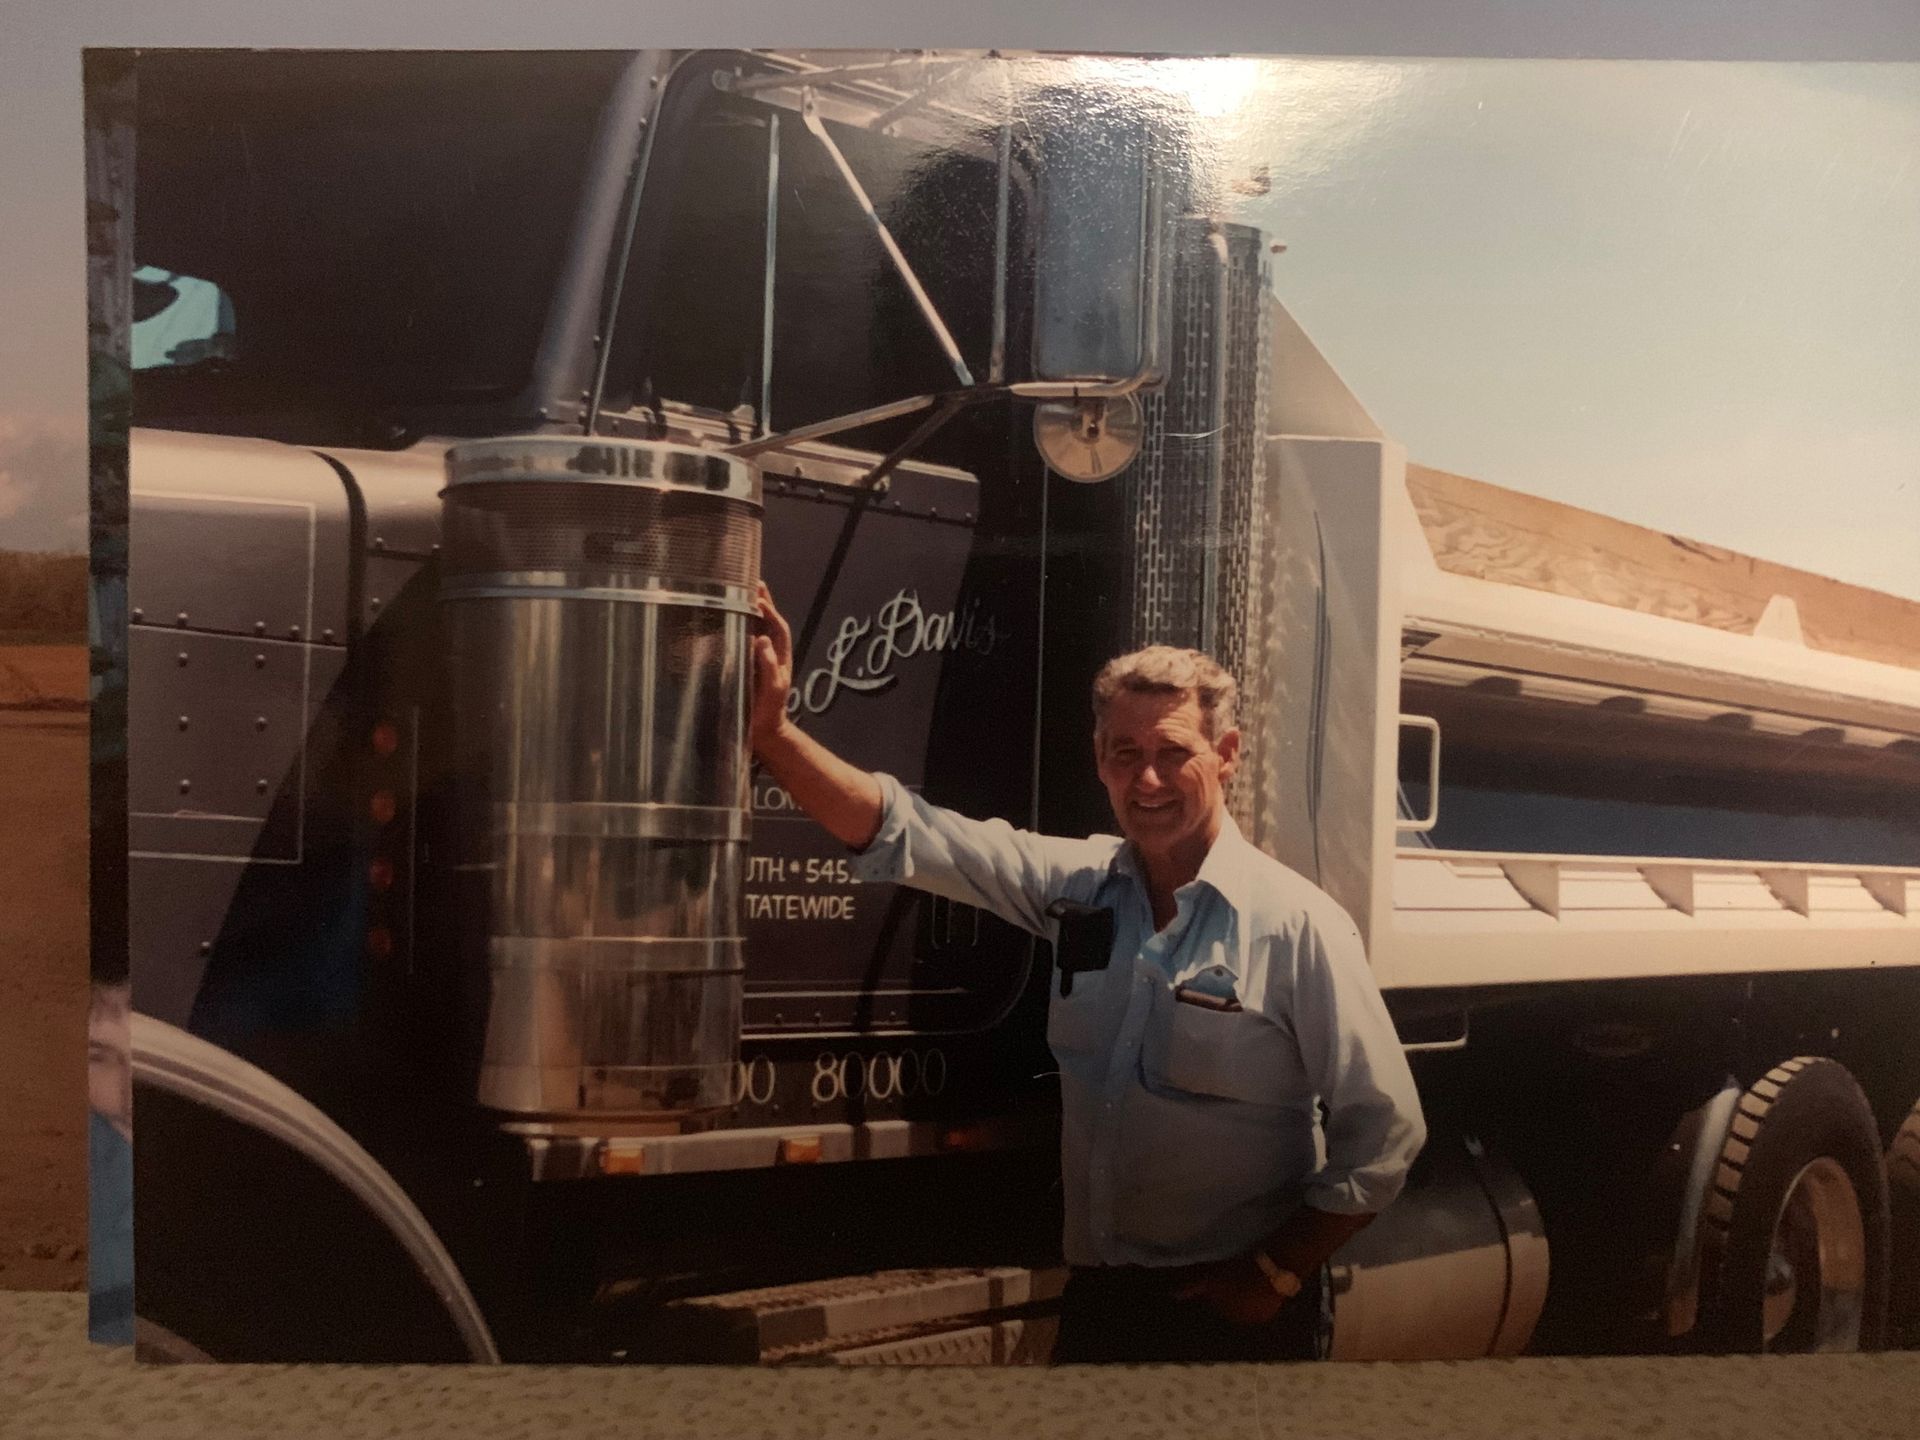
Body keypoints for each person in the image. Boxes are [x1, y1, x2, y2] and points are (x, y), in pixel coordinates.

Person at [748, 581, 1426, 1363]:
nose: (1147, 781)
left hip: (1233, 1312)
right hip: (1105, 1302)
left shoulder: (1296, 925)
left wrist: (1275, 1274)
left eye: (1174, 753)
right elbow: (910, 833)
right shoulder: (1078, 889)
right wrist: (774, 734)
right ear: (1099, 760)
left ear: (1227, 756)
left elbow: (1387, 1133)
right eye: (1124, 754)